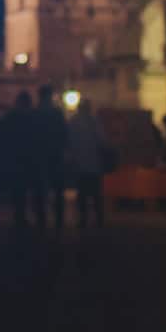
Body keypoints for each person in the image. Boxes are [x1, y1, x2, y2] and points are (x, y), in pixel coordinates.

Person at [0, 91, 39, 229]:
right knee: (29, 190)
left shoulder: (10, 118)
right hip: (28, 160)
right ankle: (30, 218)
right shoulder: (32, 118)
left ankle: (20, 217)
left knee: (18, 191)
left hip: (15, 160)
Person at [66, 99, 110, 229]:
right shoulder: (94, 122)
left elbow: (69, 142)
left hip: (79, 164)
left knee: (82, 194)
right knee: (96, 194)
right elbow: (102, 141)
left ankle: (83, 219)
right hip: (94, 164)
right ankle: (99, 219)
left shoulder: (73, 122)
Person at [34, 85, 69, 231]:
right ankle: (59, 221)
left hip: (40, 156)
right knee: (57, 189)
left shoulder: (36, 114)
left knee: (40, 190)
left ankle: (41, 220)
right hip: (55, 155)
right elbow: (64, 134)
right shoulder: (57, 113)